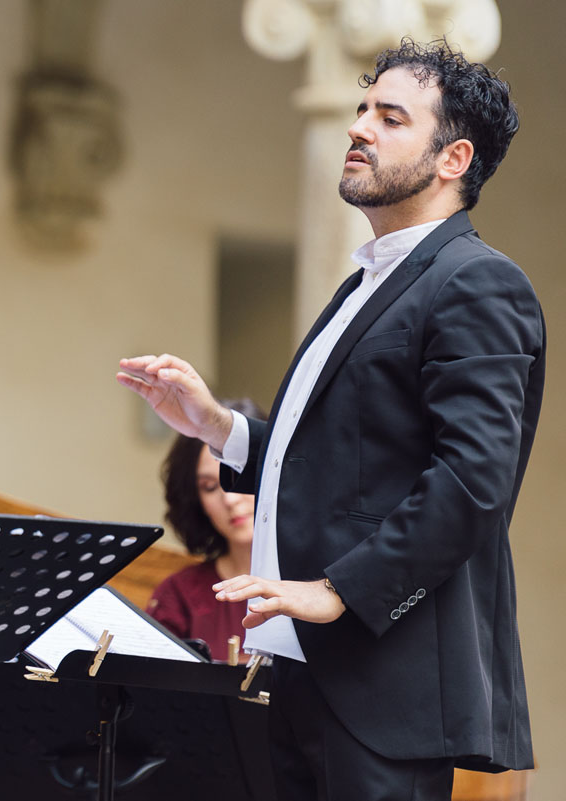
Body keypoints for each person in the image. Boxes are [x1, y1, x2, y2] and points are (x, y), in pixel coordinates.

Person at [117, 38, 541, 801]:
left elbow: (475, 481)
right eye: (360, 109)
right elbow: (337, 457)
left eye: (389, 116)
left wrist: (342, 589)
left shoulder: (477, 283)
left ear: (453, 159)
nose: (358, 127)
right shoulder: (368, 282)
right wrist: (217, 425)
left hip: (383, 678)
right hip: (299, 669)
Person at [146, 398, 263, 658]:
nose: (231, 499)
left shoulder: (322, 585)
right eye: (210, 487)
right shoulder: (179, 596)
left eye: (240, 476)